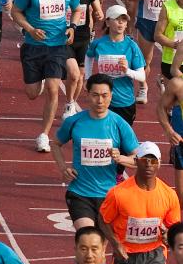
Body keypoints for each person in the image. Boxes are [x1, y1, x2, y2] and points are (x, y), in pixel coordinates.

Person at [12, 0, 81, 153]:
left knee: (53, 89)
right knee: (32, 93)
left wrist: (72, 27)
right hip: (33, 47)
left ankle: (43, 135)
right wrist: (30, 29)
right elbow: (15, 12)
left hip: (57, 46)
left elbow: (77, 9)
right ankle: (38, 81)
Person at [51, 74, 140, 231]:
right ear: (88, 95)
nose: (100, 101)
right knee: (87, 236)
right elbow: (56, 144)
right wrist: (63, 167)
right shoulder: (74, 121)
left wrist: (121, 158)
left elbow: (138, 160)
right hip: (79, 192)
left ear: (111, 96)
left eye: (105, 96)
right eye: (95, 95)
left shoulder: (120, 124)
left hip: (109, 195)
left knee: (100, 247)